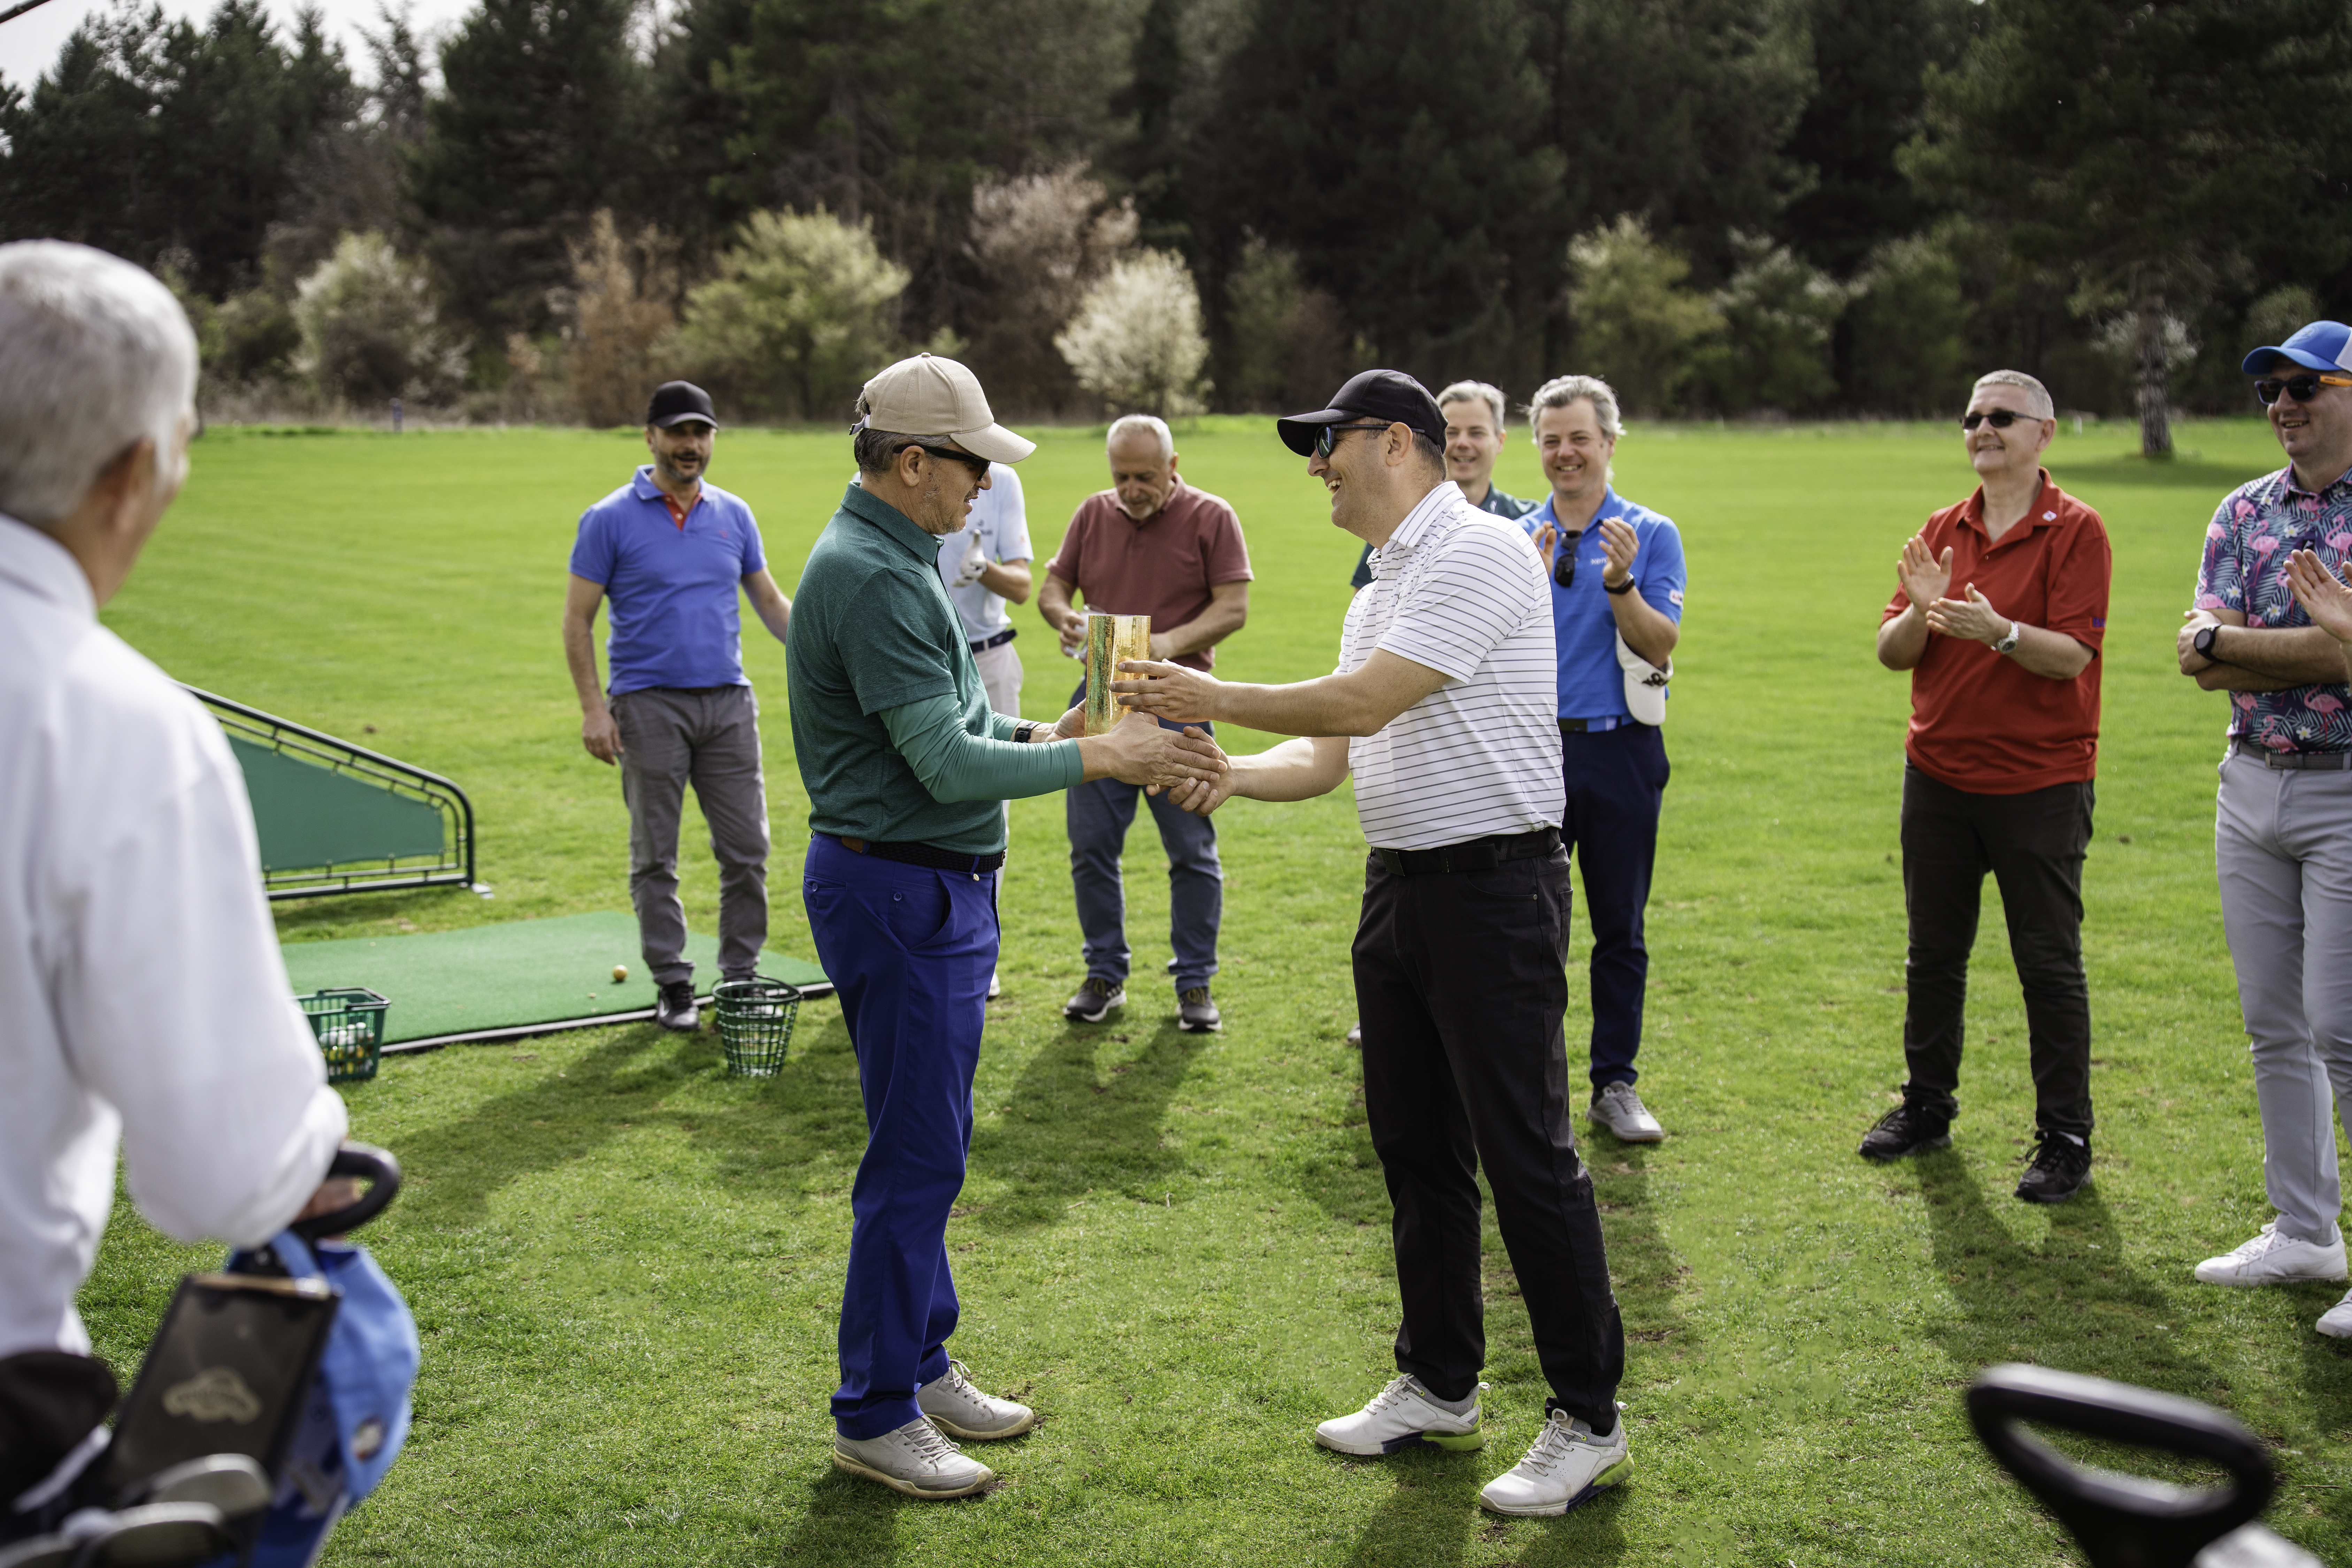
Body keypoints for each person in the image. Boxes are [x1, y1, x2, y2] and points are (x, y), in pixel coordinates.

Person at [1117, 368, 1631, 1520]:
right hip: (1401, 890)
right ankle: (1442, 1382)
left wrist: (1206, 691)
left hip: (1497, 891)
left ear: (1398, 444)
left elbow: (1362, 703)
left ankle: (1589, 1420)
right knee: (1415, 1148)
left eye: (1329, 445)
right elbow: (1324, 761)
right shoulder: (1376, 588)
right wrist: (1222, 772)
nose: (1317, 468)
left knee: (1525, 1156)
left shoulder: (1483, 550)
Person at [787, 354, 1225, 1499]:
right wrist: (1101, 754)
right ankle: (876, 1412)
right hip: (899, 889)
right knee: (916, 1156)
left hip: (922, 886)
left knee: (929, 1146)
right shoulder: (878, 577)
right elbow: (938, 763)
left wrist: (1053, 729)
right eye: (974, 463)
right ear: (916, 462)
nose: (986, 486)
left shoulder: (896, 559)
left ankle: (920, 1363)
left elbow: (962, 726)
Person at [0, 240, 349, 1521]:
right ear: (135, 473)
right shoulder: (112, 723)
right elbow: (219, 1175)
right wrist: (311, 1151)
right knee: (351, 1378)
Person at [1859, 371, 2110, 1204]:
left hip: (2039, 781)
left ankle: (2065, 1136)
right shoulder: (1942, 527)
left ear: (2044, 432)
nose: (1982, 428)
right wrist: (1919, 611)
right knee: (1933, 952)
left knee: (2047, 961)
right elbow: (1894, 652)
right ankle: (1926, 1104)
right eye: (1971, 416)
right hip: (1936, 775)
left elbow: (2070, 654)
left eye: (2001, 416)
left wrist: (1997, 630)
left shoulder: (2075, 530)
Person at [2178, 318, 2352, 1333]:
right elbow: (2198, 658)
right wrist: (2319, 642)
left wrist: (2248, 645)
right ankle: (2304, 1232)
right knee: (2272, 1024)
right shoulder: (2243, 511)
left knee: (2344, 1027)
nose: (2284, 404)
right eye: (2270, 391)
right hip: (2249, 782)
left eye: (2306, 387)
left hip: (2344, 788)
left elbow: (2337, 663)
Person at [562, 381, 794, 1032]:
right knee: (655, 856)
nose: (690, 445)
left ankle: (740, 976)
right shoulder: (608, 518)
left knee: (747, 850)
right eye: (677, 433)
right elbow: (577, 620)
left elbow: (772, 604)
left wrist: (825, 652)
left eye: (701, 433)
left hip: (727, 703)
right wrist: (593, 709)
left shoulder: (733, 514)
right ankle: (673, 984)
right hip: (646, 706)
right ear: (651, 438)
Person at [1037, 413, 1252, 1032]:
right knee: (1091, 848)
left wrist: (1165, 647)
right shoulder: (1092, 513)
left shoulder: (1213, 517)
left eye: (1146, 477)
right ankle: (1104, 973)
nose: (1131, 489)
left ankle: (1195, 983)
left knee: (1191, 850)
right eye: (1122, 477)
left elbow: (1233, 607)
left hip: (1182, 703)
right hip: (1100, 700)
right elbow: (1053, 588)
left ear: (1174, 467)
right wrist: (1066, 620)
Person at [1520, 375, 1684, 1144]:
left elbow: (1660, 645)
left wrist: (1619, 583)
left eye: (1580, 438)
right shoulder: (1519, 538)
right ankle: (1531, 1083)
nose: (1565, 453)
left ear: (1610, 444)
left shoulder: (1650, 534)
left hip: (1620, 748)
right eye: (1551, 440)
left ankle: (1614, 1085)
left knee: (1619, 925)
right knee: (1529, 927)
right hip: (1533, 753)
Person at [933, 460, 1033, 999]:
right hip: (925, 660)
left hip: (988, 659)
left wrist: (983, 569)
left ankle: (978, 948)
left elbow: (1021, 584)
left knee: (992, 813)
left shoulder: (1003, 483)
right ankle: (924, 942)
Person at [1345, 379, 1537, 590]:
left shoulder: (1528, 522)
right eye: (1452, 433)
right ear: (1435, 440)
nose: (1463, 443)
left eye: (1476, 433)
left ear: (1500, 441)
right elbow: (1364, 609)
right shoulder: (1399, 520)